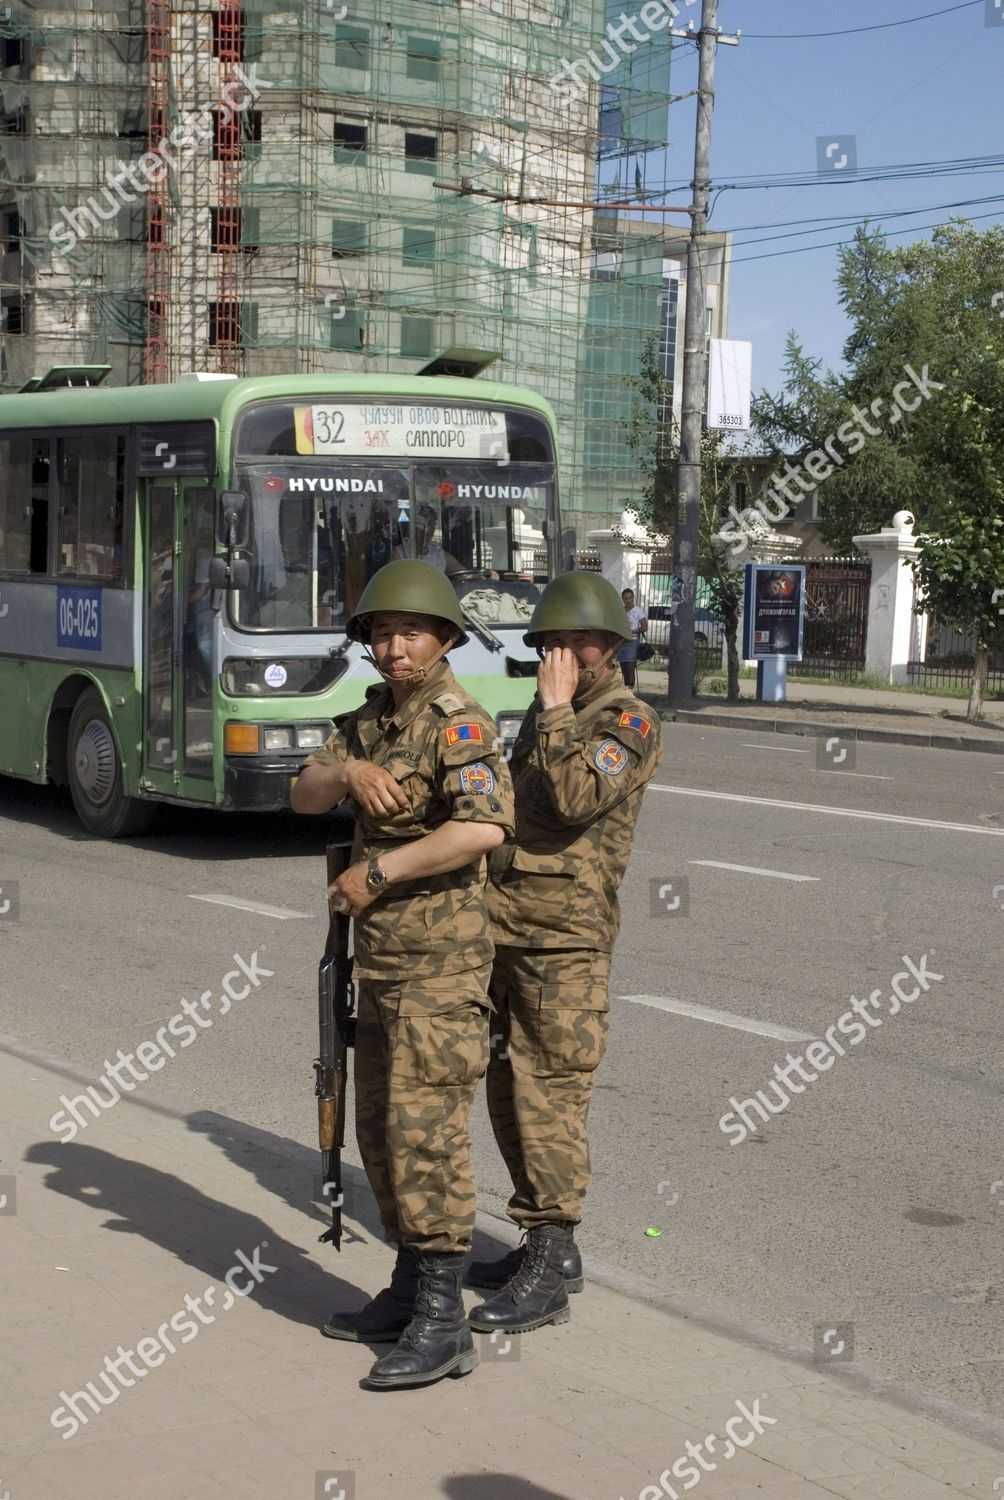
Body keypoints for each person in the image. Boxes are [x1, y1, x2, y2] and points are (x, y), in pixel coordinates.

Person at [291, 559, 514, 1389]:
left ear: (445, 638)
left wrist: (377, 874)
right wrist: (346, 773)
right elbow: (304, 796)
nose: (393, 647)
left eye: (410, 632)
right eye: (381, 633)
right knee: (380, 1133)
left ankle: (444, 1319)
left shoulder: (460, 724)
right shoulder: (369, 723)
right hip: (378, 965)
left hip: (439, 967)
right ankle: (408, 1287)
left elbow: (484, 828)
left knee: (428, 1137)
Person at [465, 571, 661, 1335]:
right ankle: (539, 1242)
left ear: (609, 645)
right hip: (506, 927)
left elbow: (579, 798)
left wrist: (552, 713)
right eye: (549, 642)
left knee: (549, 1098)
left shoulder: (629, 721)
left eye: (576, 642)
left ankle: (553, 1257)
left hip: (565, 944)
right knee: (507, 1090)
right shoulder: (553, 715)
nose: (560, 655)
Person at [617, 587, 648, 688]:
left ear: (633, 598)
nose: (628, 600)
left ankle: (630, 691)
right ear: (622, 599)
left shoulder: (638, 611)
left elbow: (645, 627)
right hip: (621, 642)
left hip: (632, 642)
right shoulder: (620, 611)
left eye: (630, 598)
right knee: (624, 669)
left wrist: (633, 631)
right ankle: (626, 690)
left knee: (630, 669)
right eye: (626, 598)